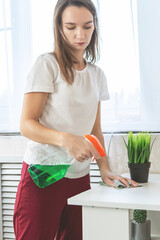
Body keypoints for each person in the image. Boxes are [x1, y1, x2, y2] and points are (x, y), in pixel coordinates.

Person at [13, 0, 138, 239]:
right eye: (71, 27)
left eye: (87, 26)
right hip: (43, 174)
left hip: (80, 177)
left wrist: (104, 168)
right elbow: (26, 124)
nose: (80, 34)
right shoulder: (46, 64)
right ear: (59, 28)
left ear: (94, 27)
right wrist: (66, 139)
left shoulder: (96, 75)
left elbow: (95, 129)